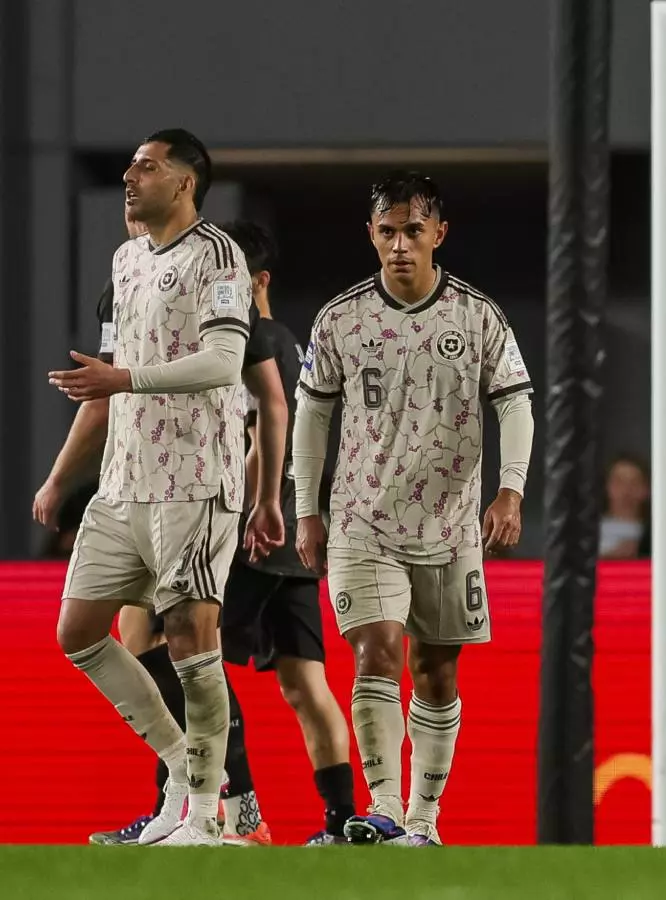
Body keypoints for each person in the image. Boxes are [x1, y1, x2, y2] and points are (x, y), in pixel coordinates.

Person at [292, 172, 535, 846]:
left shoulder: (477, 315)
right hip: (363, 520)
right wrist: (304, 507)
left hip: (451, 525)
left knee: (437, 668)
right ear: (371, 234)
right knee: (376, 651)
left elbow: (514, 400)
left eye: (413, 230)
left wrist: (510, 488)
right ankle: (388, 807)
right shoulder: (340, 318)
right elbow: (312, 413)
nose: (400, 243)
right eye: (388, 230)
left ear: (439, 234)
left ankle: (425, 822)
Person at [46, 128, 271, 846]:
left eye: (146, 166)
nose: (128, 176)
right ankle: (182, 767)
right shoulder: (126, 259)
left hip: (195, 481)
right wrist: (59, 477)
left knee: (188, 640)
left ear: (185, 182)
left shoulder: (219, 256)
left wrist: (125, 380)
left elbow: (222, 361)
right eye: (129, 166)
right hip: (122, 484)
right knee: (78, 633)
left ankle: (207, 815)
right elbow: (108, 378)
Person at [213, 220, 359, 844]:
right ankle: (343, 820)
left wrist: (250, 507)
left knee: (189, 659)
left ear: (259, 280)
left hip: (258, 529)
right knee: (305, 683)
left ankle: (242, 812)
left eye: (228, 274)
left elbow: (260, 435)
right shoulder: (296, 345)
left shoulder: (255, 339)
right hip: (300, 533)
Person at [600, 455, 651, 559]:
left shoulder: (656, 534)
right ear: (607, 487)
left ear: (646, 490)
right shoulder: (588, 533)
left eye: (635, 482)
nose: (626, 491)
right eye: (619, 482)